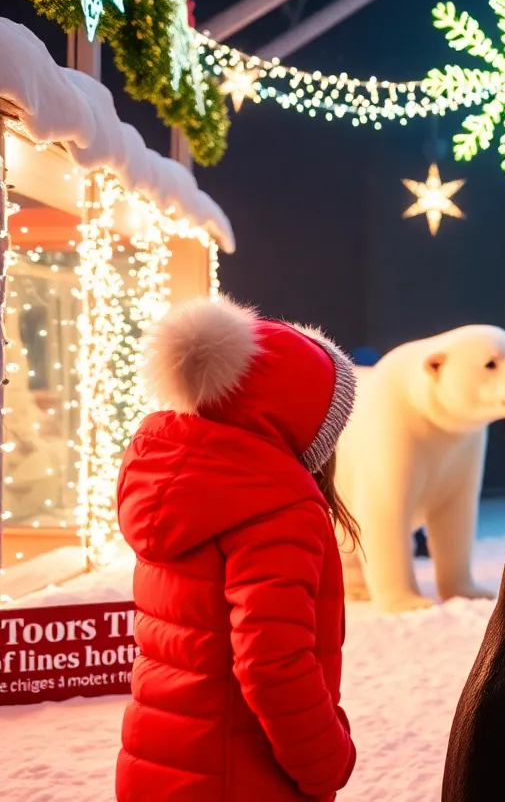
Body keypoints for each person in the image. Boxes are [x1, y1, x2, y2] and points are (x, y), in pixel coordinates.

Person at [115, 297, 359, 802]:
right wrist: (327, 763)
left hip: (161, 763)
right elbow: (273, 663)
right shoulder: (274, 505)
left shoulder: (176, 477)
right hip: (241, 776)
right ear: (294, 417)